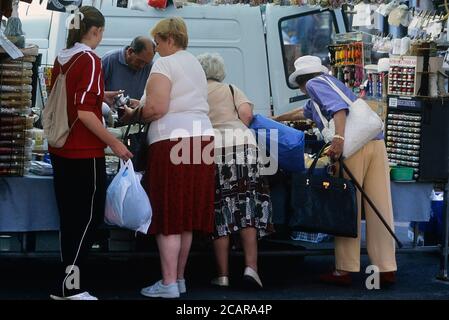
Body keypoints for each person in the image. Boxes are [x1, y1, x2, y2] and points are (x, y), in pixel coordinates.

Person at [273, 55, 397, 287]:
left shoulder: (314, 84)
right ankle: (385, 267)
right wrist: (276, 118)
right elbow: (304, 111)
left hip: (352, 147)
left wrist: (339, 138)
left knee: (346, 206)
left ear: (301, 80)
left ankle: (345, 269)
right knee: (380, 205)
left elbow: (339, 110)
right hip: (374, 141)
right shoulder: (331, 84)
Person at [48, 6, 133, 300]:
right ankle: (73, 288)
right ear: (96, 31)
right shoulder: (91, 60)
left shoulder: (63, 57)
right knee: (87, 219)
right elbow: (84, 112)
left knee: (69, 219)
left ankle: (66, 285)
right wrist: (115, 142)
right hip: (84, 153)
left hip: (60, 150)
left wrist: (102, 97)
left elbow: (75, 102)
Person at [127, 17, 215, 299]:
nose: (155, 47)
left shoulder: (164, 63)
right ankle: (178, 278)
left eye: (158, 41)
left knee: (168, 213)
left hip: (171, 138)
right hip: (202, 138)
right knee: (185, 214)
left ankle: (167, 284)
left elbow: (156, 108)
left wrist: (134, 113)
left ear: (170, 39)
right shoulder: (195, 64)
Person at [197, 52, 274, 289]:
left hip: (213, 151)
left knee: (220, 210)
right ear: (219, 71)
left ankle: (222, 276)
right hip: (244, 148)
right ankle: (251, 269)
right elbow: (247, 115)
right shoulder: (231, 89)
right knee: (246, 207)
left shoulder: (196, 92)